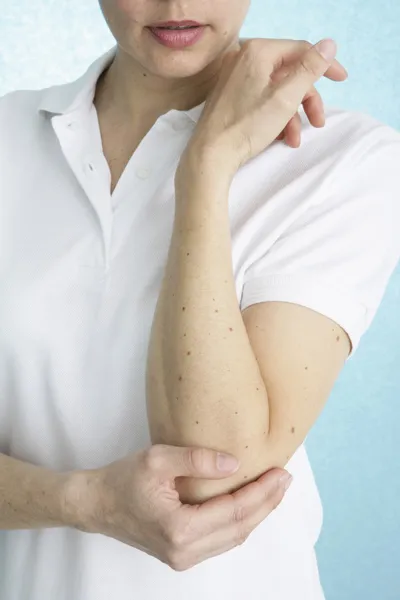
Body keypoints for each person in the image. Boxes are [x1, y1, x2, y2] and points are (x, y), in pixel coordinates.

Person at [0, 1, 399, 599]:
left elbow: (212, 469)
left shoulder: (343, 159)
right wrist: (82, 501)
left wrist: (205, 168)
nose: (177, 3)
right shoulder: (8, 136)